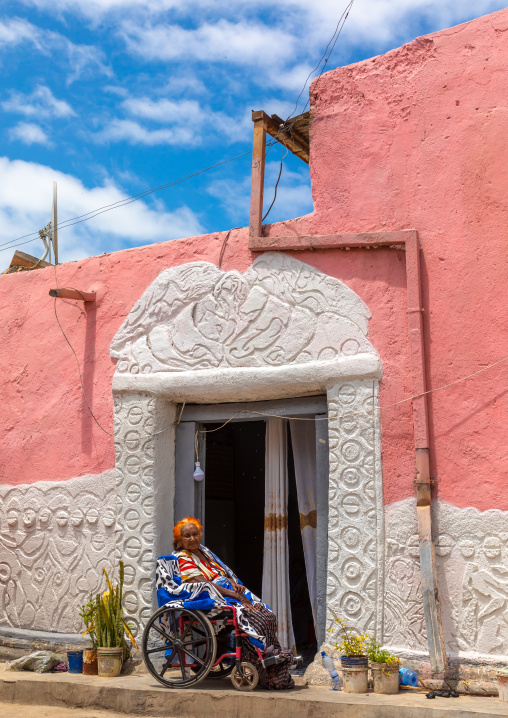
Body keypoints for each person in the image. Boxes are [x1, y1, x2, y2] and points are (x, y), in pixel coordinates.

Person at [169, 516, 295, 690]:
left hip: (225, 593)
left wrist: (234, 584)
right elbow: (206, 584)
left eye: (195, 534)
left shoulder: (204, 553)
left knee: (267, 615)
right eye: (187, 536)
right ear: (179, 540)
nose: (192, 538)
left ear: (200, 534)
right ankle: (258, 662)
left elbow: (222, 574)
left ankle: (269, 658)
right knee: (256, 619)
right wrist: (238, 596)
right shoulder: (183, 557)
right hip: (209, 598)